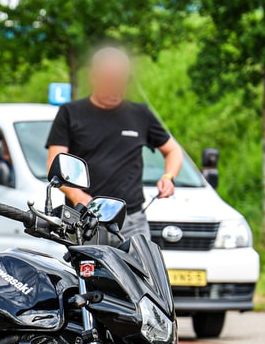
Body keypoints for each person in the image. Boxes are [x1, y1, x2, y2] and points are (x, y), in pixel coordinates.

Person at [45, 46, 187, 249]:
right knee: (85, 278)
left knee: (140, 278)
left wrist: (168, 177)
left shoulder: (140, 114)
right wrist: (79, 196)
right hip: (84, 219)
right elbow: (54, 162)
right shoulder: (70, 113)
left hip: (131, 220)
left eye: (121, 78)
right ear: (94, 77)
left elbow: (173, 151)